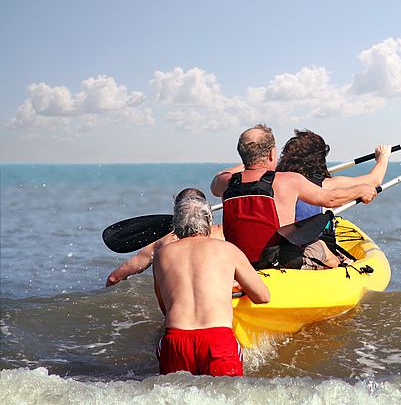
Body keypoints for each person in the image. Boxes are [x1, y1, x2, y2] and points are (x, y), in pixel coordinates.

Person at [210, 124, 378, 270]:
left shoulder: (224, 182)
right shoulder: (289, 180)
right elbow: (330, 199)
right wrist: (361, 191)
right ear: (271, 154)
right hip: (279, 260)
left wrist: (248, 161)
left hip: (240, 260)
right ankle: (342, 270)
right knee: (320, 247)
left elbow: (218, 178)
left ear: (242, 153)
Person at [152, 188, 270, 376]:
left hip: (176, 340)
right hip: (217, 339)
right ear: (208, 220)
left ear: (176, 224)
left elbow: (166, 308)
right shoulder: (227, 250)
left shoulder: (161, 256)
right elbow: (262, 296)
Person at [105, 188, 224, 287]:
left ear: (177, 214)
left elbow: (114, 278)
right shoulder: (223, 234)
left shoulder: (161, 244)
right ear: (208, 213)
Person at [275, 129, 391, 221]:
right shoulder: (326, 185)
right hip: (311, 244)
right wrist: (383, 157)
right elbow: (375, 180)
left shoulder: (275, 180)